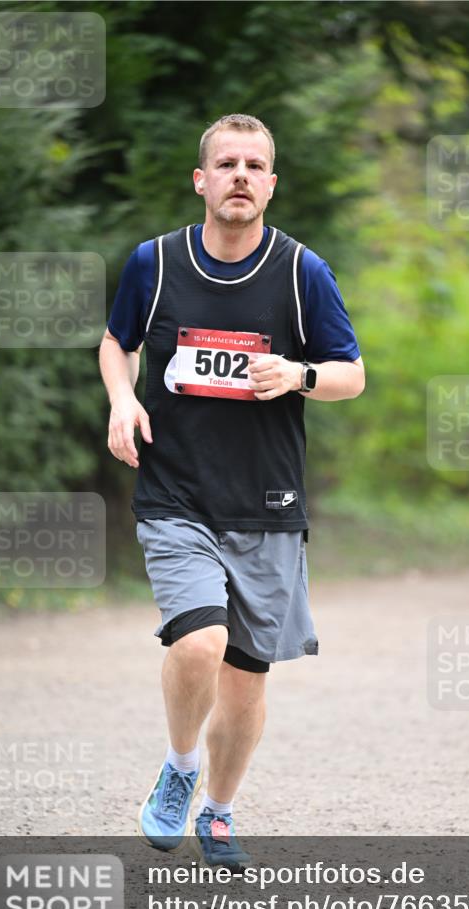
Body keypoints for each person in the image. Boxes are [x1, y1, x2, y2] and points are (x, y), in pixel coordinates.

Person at [99, 114, 364, 869]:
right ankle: (180, 768)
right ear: (201, 180)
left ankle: (218, 810)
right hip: (176, 495)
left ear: (270, 185)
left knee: (245, 684)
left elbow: (351, 374)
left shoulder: (301, 272)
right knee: (198, 642)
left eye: (253, 165)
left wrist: (299, 374)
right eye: (226, 164)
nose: (240, 175)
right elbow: (117, 342)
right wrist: (122, 398)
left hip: (267, 505)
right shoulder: (155, 262)